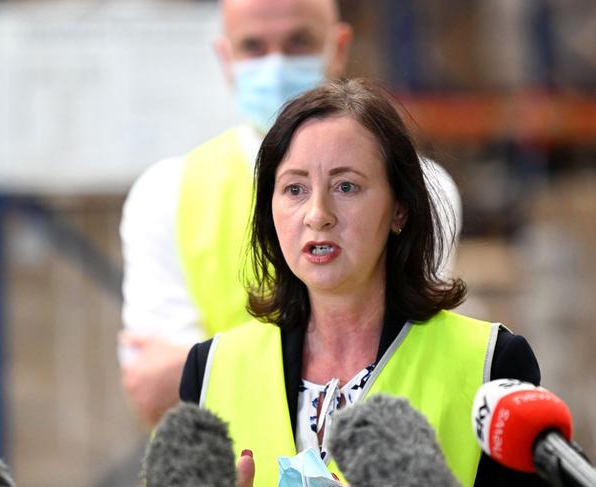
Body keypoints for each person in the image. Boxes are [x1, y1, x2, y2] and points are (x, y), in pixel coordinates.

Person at [180, 79, 544, 487]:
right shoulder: (209, 370)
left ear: (400, 210)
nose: (317, 214)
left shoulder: (491, 367)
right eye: (294, 189)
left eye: (346, 186)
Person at [119, 0, 461, 426]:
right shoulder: (166, 194)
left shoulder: (423, 189)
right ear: (225, 58)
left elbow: (411, 367)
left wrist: (206, 367)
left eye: (299, 42)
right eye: (254, 47)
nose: (276, 66)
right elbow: (156, 392)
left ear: (338, 48)